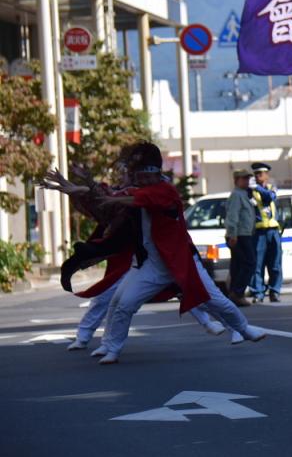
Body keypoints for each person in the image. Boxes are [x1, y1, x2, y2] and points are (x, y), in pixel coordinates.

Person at [90, 142, 265, 364]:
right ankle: (111, 348)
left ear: (155, 173)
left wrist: (113, 199)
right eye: (138, 177)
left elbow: (139, 199)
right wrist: (74, 188)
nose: (140, 181)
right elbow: (117, 192)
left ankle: (244, 328)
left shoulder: (166, 190)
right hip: (151, 265)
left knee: (215, 300)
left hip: (182, 261)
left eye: (143, 176)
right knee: (122, 303)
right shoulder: (141, 189)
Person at [250, 162, 283, 302]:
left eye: (260, 174)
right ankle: (258, 293)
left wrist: (257, 187)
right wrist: (254, 188)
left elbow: (270, 197)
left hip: (273, 232)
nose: (258, 176)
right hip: (259, 233)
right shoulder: (250, 191)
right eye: (256, 174)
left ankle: (274, 291)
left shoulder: (271, 188)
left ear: (266, 175)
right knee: (257, 265)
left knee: (275, 264)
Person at [224, 168, 257, 307]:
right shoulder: (237, 195)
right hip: (240, 235)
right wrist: (232, 234)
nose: (246, 181)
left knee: (238, 265)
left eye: (247, 178)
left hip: (243, 234)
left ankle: (234, 293)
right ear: (236, 180)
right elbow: (233, 215)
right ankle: (238, 292)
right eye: (243, 178)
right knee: (249, 263)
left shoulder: (244, 194)